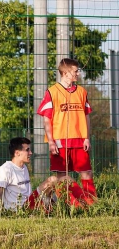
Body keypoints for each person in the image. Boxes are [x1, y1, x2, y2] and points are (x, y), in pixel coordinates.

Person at [37, 58, 97, 207]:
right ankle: (70, 205)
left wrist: (86, 138)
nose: (78, 73)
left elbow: (86, 117)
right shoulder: (52, 92)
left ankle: (92, 204)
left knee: (87, 173)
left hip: (79, 141)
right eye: (75, 71)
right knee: (62, 176)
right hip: (59, 142)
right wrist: (51, 141)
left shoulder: (82, 92)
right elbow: (46, 119)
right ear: (65, 73)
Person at [0, 137, 58, 211]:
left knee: (59, 181)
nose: (31, 153)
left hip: (29, 204)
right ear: (17, 153)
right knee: (52, 180)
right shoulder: (6, 169)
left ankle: (52, 208)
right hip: (19, 209)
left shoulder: (24, 167)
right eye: (27, 150)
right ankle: (51, 208)